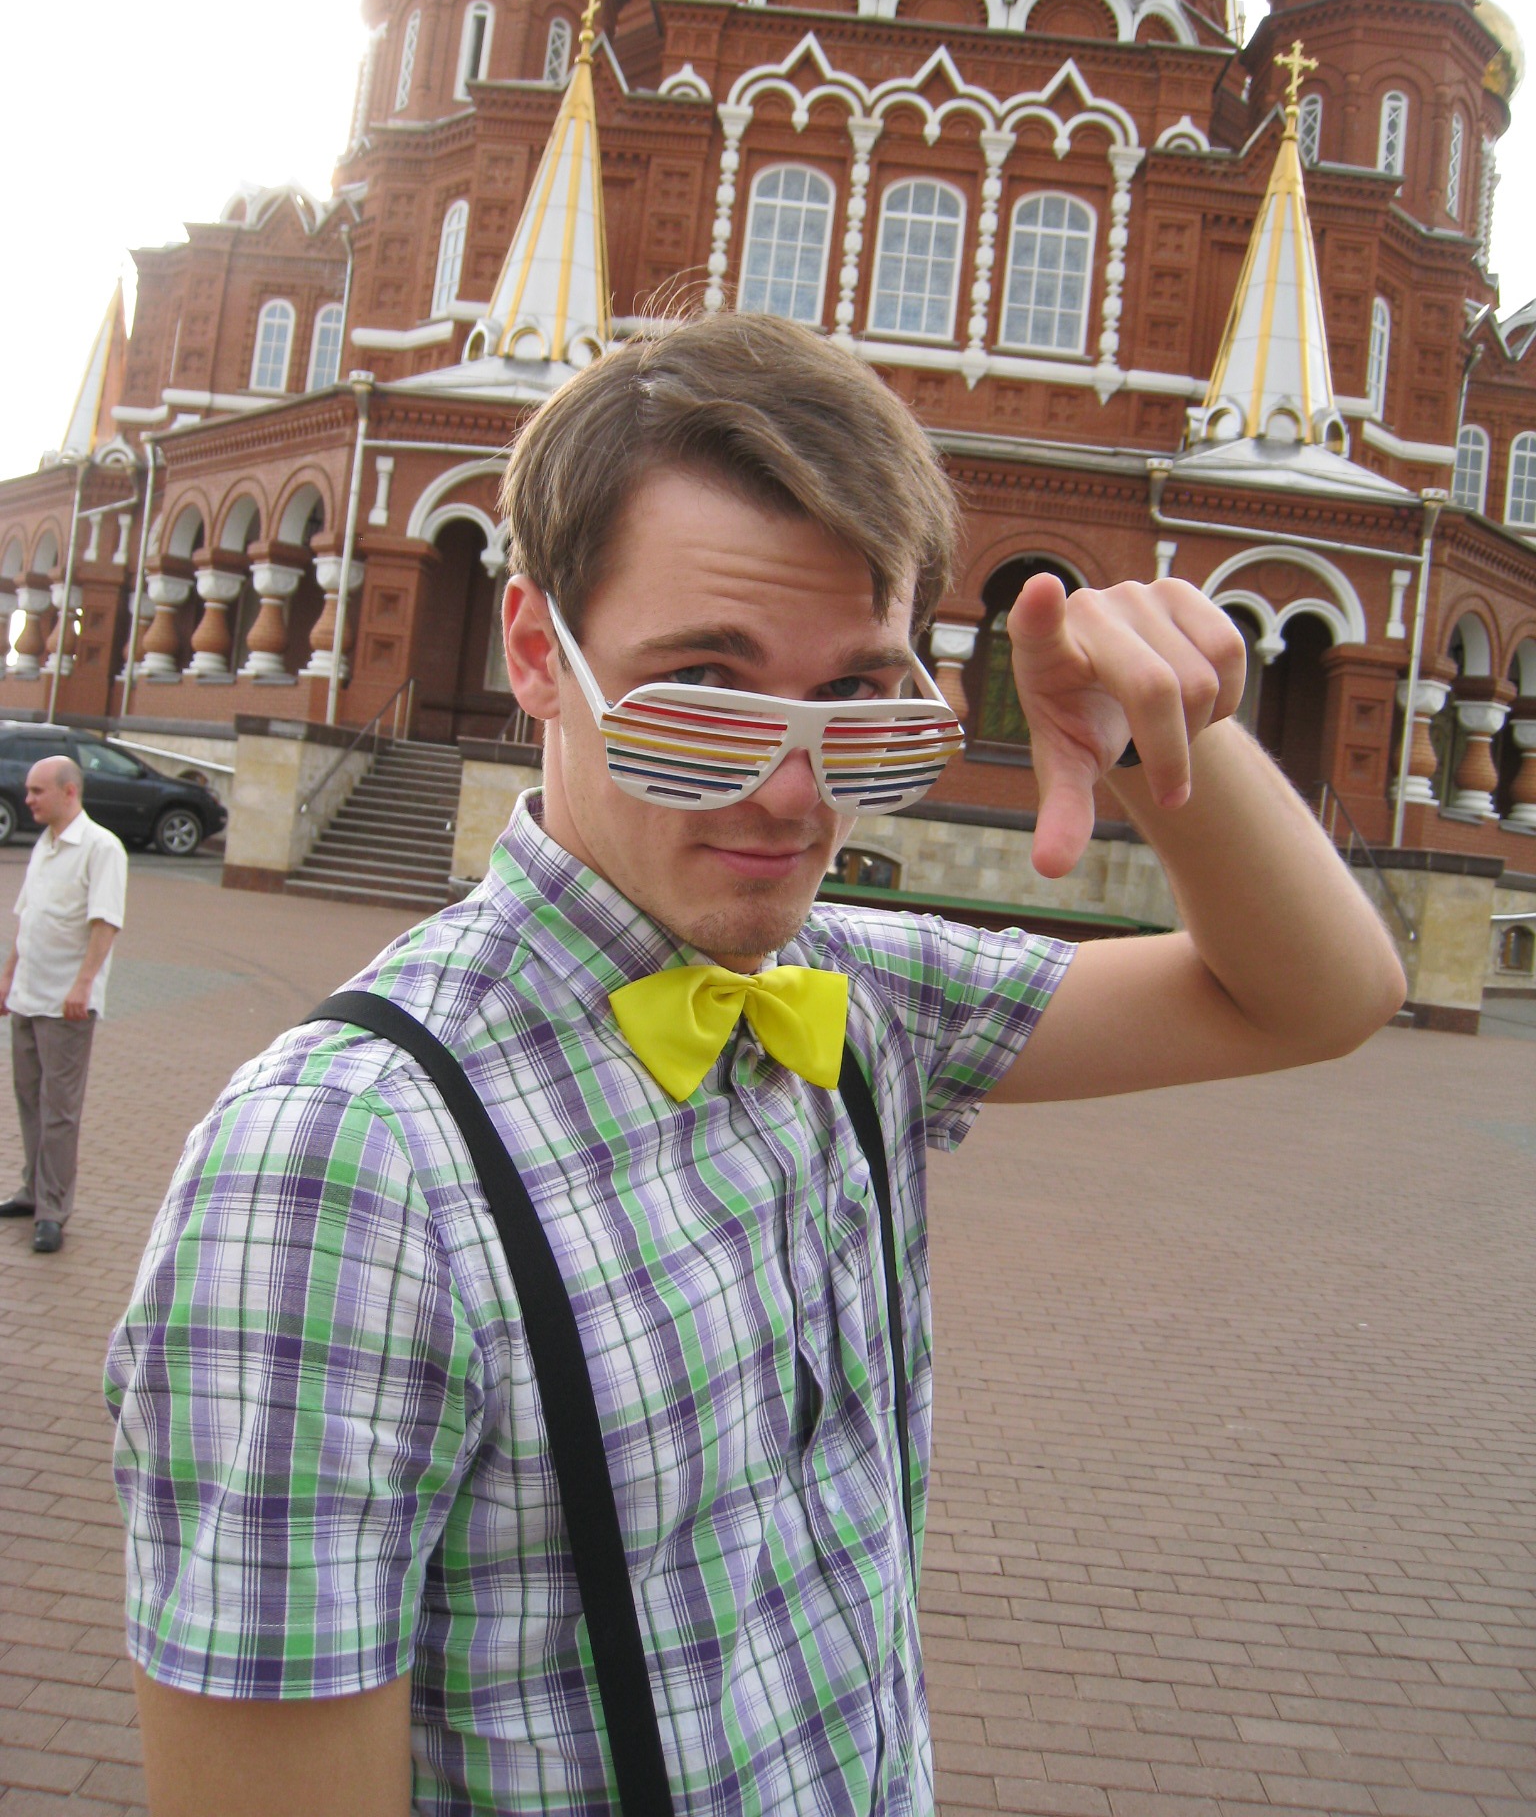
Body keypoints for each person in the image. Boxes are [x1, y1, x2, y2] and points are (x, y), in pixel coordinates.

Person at [106, 316, 1405, 1817]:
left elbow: (1321, 997)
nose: (793, 794)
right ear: (536, 653)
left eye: (857, 706)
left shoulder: (852, 991)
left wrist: (1166, 738)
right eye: (703, 693)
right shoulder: (343, 1168)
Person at [0, 754, 128, 1254]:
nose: (27, 799)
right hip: (28, 996)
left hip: (66, 1005)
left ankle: (53, 1210)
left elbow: (106, 922)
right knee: (29, 1099)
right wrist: (8, 975)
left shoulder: (101, 848)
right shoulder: (45, 843)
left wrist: (83, 984)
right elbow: (27, 916)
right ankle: (32, 1190)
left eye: (37, 791)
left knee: (59, 1110)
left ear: (68, 791)